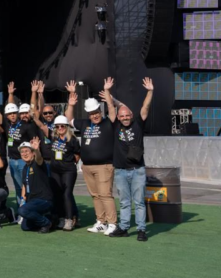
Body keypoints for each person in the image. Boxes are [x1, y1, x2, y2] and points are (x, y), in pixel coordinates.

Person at [65, 80, 117, 235]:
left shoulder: (108, 123)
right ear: (88, 114)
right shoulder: (85, 123)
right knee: (95, 195)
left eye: (97, 112)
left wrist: (107, 94)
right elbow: (68, 120)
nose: (95, 115)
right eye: (92, 113)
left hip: (104, 165)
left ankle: (112, 223)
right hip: (87, 166)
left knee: (105, 195)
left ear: (100, 111)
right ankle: (101, 222)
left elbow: (112, 111)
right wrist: (71, 104)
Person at [105, 77, 152, 242]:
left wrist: (150, 91)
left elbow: (145, 107)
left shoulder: (138, 124)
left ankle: (141, 230)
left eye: (127, 115)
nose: (125, 118)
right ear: (118, 117)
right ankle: (124, 228)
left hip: (137, 169)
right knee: (124, 202)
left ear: (131, 115)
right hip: (120, 171)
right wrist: (108, 90)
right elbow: (111, 106)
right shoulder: (115, 124)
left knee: (138, 202)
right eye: (122, 116)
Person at [48, 115, 80, 231]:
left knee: (67, 193)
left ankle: (69, 219)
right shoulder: (54, 137)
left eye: (63, 126)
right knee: (57, 193)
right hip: (55, 170)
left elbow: (77, 155)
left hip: (68, 170)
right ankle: (61, 217)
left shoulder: (73, 139)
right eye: (58, 126)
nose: (60, 128)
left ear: (67, 126)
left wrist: (67, 163)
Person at [18, 138, 53, 233]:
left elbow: (39, 159)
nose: (24, 154)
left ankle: (46, 223)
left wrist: (37, 150)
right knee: (25, 227)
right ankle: (49, 218)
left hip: (43, 199)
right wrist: (22, 199)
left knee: (23, 211)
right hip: (32, 201)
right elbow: (24, 185)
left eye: (27, 151)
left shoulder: (37, 164)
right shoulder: (25, 168)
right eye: (22, 152)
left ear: (32, 153)